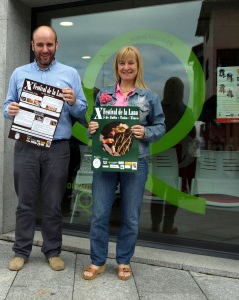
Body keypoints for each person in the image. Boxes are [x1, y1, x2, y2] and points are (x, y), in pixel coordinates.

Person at [4, 25, 87, 271]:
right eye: (40, 45)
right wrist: (10, 111)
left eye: (49, 44)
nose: (44, 49)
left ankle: (52, 251)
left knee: (53, 203)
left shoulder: (70, 73)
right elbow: (8, 104)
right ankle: (21, 251)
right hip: (26, 145)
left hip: (58, 148)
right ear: (32, 45)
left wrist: (73, 102)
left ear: (57, 45)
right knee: (25, 202)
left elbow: (82, 111)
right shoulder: (19, 73)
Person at [83, 46, 165, 281]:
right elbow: (95, 124)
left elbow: (160, 126)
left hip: (135, 160)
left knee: (130, 215)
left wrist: (145, 131)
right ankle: (97, 261)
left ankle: (123, 260)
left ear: (138, 66)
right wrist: (92, 128)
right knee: (99, 214)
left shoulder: (149, 96)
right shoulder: (104, 94)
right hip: (106, 159)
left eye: (131, 63)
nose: (126, 67)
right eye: (122, 63)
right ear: (116, 66)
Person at [151, 77, 197, 234]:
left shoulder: (157, 108)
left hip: (159, 157)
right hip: (178, 160)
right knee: (173, 192)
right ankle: (168, 225)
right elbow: (192, 136)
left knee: (156, 192)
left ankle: (154, 224)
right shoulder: (185, 112)